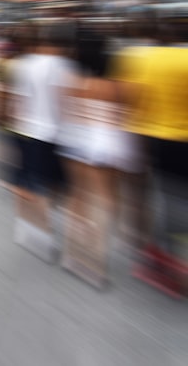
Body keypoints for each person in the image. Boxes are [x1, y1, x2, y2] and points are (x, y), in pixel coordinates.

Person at [58, 26, 138, 288]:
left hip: (75, 141)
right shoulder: (116, 86)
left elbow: (66, 113)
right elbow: (127, 114)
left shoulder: (72, 83)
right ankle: (97, 262)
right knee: (106, 200)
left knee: (77, 196)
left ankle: (73, 253)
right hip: (107, 145)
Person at [116, 20, 188, 296]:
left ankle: (156, 253)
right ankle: (163, 256)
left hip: (150, 138)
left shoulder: (142, 58)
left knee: (165, 197)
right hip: (181, 140)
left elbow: (130, 98)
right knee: (177, 199)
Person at [8, 22, 76, 262]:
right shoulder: (66, 67)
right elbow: (66, 105)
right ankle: (49, 231)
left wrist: (15, 135)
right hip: (56, 135)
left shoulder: (25, 64)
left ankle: (36, 230)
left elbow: (18, 101)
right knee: (55, 186)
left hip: (28, 131)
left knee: (33, 184)